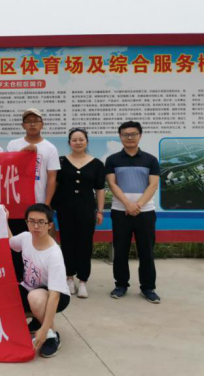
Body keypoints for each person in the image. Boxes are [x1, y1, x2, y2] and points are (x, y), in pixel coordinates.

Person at [105, 121, 161, 303]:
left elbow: (153, 185)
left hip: (146, 212)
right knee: (121, 250)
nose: (129, 137)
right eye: (125, 134)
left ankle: (148, 287)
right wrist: (127, 204)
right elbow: (112, 184)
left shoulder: (150, 160)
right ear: (120, 136)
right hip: (120, 211)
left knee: (146, 251)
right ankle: (121, 285)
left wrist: (137, 205)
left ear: (140, 136)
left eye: (133, 134)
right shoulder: (112, 160)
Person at [8, 203, 70, 358]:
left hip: (55, 295)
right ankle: (37, 319)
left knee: (34, 298)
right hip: (29, 288)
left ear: (49, 225)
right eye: (32, 221)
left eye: (41, 222)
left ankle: (51, 335)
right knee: (4, 295)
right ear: (27, 222)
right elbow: (11, 242)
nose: (36, 226)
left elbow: (55, 296)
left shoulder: (53, 254)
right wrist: (3, 220)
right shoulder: (26, 237)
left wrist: (45, 330)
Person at [6, 109, 60, 281]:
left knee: (37, 242)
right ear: (23, 125)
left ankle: (38, 278)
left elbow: (52, 179)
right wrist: (22, 155)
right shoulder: (13, 144)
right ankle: (17, 279)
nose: (32, 124)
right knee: (17, 243)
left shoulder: (50, 148)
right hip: (17, 204)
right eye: (28, 121)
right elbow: (9, 169)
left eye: (36, 120)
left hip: (38, 203)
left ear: (42, 124)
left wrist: (46, 203)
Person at [52, 128, 105, 298]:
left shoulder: (96, 164)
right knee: (67, 242)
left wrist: (100, 211)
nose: (78, 142)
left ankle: (83, 281)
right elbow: (54, 185)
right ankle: (69, 278)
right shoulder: (60, 161)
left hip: (87, 209)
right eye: (74, 140)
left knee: (85, 244)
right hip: (65, 209)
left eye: (81, 139)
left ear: (87, 141)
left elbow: (100, 189)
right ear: (69, 143)